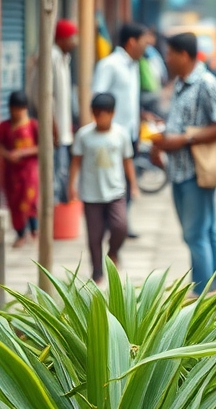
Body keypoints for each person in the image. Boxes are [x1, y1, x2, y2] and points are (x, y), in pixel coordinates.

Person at [151, 32, 216, 296]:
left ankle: (202, 291)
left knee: (194, 233)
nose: (166, 59)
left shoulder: (205, 83)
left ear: (184, 55)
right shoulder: (180, 83)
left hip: (196, 170)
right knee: (206, 227)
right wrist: (163, 136)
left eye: (170, 54)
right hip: (179, 170)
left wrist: (185, 138)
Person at [70, 93, 136, 284]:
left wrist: (133, 184)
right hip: (91, 193)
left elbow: (127, 161)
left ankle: (113, 252)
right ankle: (97, 271)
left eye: (104, 114)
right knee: (94, 235)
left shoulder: (120, 134)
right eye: (96, 113)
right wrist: (72, 185)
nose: (100, 118)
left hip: (115, 190)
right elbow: (76, 161)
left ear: (112, 113)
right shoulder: (84, 135)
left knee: (120, 226)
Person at [92, 22, 147, 236]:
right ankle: (109, 224)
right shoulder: (110, 65)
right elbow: (98, 97)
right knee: (111, 181)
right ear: (132, 42)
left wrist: (138, 126)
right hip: (112, 137)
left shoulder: (133, 65)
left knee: (127, 181)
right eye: (144, 41)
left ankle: (122, 223)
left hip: (129, 134)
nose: (146, 46)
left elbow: (130, 100)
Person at [29, 19, 79, 204]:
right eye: (72, 38)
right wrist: (52, 125)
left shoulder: (63, 58)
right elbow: (41, 95)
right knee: (52, 178)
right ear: (62, 38)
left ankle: (56, 214)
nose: (75, 42)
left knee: (59, 175)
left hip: (62, 131)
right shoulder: (50, 56)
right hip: (52, 131)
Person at [0, 91, 40, 248]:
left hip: (29, 172)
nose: (16, 113)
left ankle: (34, 229)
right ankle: (21, 233)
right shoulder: (4, 127)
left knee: (30, 201)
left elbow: (42, 146)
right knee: (14, 203)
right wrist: (7, 155)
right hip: (11, 173)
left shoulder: (33, 126)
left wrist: (23, 152)